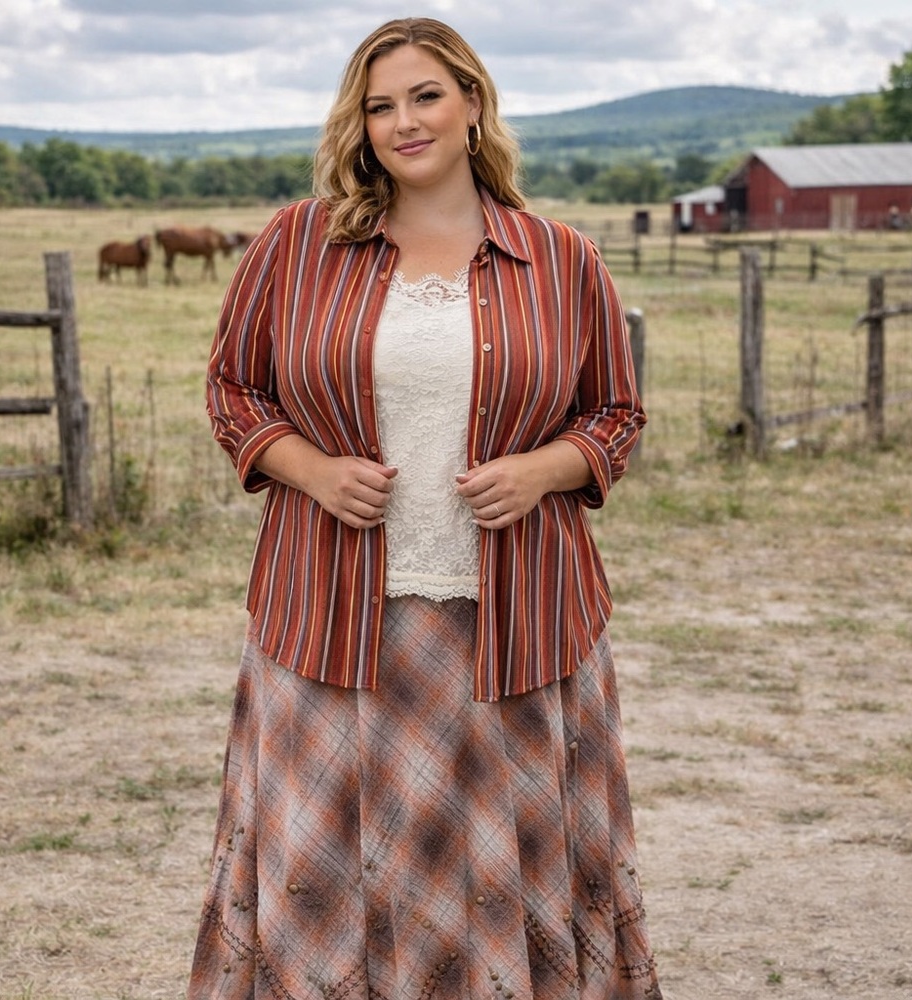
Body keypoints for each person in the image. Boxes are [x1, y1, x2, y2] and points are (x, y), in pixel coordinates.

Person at [187, 16, 661, 1000]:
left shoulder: (561, 258)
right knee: (333, 859)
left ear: (473, 102)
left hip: (518, 626)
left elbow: (615, 413)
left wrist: (547, 468)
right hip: (331, 620)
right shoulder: (294, 245)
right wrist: (310, 468)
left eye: (425, 96)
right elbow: (234, 391)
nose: (404, 121)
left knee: (503, 863)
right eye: (379, 105)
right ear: (357, 125)